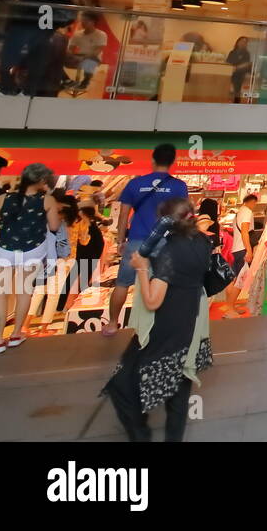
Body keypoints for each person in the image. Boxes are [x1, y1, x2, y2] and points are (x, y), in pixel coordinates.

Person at [101, 198, 213, 442]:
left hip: (165, 324)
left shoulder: (168, 250)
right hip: (192, 318)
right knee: (180, 387)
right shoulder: (203, 241)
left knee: (122, 384)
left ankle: (140, 433)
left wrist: (141, 267)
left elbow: (153, 301)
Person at [105, 144, 190, 336]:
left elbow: (123, 215)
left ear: (152, 160)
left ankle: (112, 323)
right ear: (173, 162)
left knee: (122, 283)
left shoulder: (135, 184)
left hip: (136, 241)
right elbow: (182, 215)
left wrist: (120, 241)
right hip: (165, 241)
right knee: (165, 281)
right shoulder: (178, 186)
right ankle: (166, 323)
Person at [0, 0, 76, 96]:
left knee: (13, 47)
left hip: (29, 14)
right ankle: (33, 86)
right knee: (39, 48)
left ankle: (7, 83)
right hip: (49, 16)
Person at [0, 163, 60, 352]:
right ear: (41, 181)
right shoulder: (47, 200)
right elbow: (55, 227)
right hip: (32, 250)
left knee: (0, 292)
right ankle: (16, 334)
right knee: (24, 290)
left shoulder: (2, 198)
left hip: (5, 249)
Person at [58, 204, 106, 312]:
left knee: (75, 281)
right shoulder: (89, 226)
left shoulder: (88, 226)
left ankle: (68, 305)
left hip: (85, 257)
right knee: (76, 281)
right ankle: (70, 305)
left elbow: (96, 243)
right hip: (85, 257)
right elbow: (99, 244)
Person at [64, 11, 106, 95]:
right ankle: (66, 79)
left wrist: (83, 58)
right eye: (82, 20)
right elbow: (71, 48)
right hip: (79, 56)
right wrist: (68, 54)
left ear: (93, 22)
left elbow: (97, 51)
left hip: (93, 57)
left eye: (85, 21)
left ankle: (85, 81)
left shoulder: (101, 34)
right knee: (56, 57)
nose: (82, 23)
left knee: (90, 61)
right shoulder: (77, 34)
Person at [226, 37, 252, 102]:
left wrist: (236, 68)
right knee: (229, 92)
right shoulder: (232, 52)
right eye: (241, 41)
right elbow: (228, 62)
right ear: (237, 42)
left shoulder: (246, 53)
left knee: (237, 93)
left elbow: (247, 64)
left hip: (240, 76)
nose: (243, 43)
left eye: (245, 42)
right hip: (230, 75)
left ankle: (237, 104)